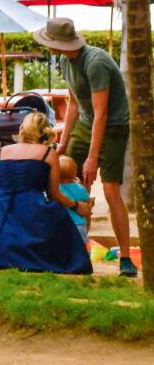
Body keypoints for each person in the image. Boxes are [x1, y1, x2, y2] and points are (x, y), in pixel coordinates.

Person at [33, 17, 136, 277]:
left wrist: (92, 158)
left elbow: (101, 115)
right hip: (86, 123)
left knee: (111, 190)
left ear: (58, 42)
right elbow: (75, 105)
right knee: (68, 176)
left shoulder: (96, 63)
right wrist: (63, 144)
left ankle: (125, 258)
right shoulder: (66, 62)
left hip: (113, 126)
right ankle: (77, 248)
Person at [0, 112, 92, 274]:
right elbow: (54, 194)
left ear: (22, 129)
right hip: (32, 208)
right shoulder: (48, 154)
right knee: (59, 218)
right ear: (43, 131)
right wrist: (76, 205)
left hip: (0, 206)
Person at [59, 155, 92, 246]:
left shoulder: (55, 189)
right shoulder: (80, 188)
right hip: (79, 225)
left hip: (61, 226)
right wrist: (80, 185)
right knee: (81, 251)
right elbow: (86, 199)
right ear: (74, 173)